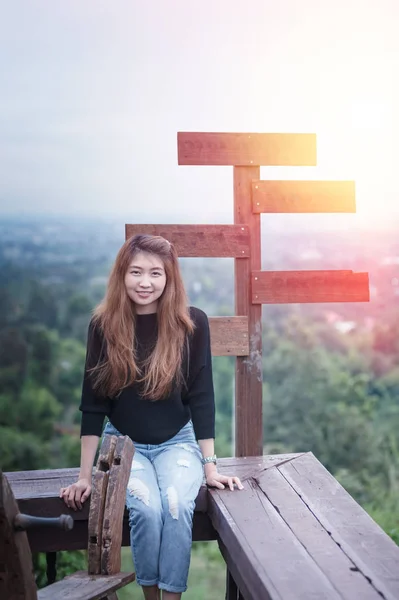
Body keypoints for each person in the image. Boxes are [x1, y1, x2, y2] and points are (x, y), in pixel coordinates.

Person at [60, 233, 243, 600]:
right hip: (122, 444)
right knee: (146, 509)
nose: (145, 282)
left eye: (156, 273)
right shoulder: (103, 325)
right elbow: (93, 403)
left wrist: (210, 467)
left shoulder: (192, 323)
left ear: (169, 278)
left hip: (177, 441)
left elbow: (202, 397)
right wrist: (84, 477)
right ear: (121, 275)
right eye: (136, 272)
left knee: (176, 507)